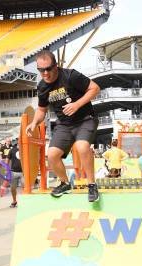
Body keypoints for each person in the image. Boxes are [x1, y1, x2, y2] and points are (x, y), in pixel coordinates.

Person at [26, 49, 101, 202]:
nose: (45, 73)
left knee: (82, 147)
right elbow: (41, 110)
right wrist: (34, 123)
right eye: (41, 70)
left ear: (56, 66)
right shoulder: (42, 87)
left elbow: (95, 88)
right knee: (52, 155)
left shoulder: (70, 75)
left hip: (85, 119)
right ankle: (65, 183)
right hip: (64, 125)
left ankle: (92, 185)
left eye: (48, 69)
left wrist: (77, 104)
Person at [6, 140, 23, 208]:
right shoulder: (12, 150)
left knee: (25, 187)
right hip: (14, 172)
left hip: (23, 172)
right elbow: (7, 159)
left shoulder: (25, 149)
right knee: (13, 188)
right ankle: (14, 201)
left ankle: (23, 201)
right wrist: (7, 169)